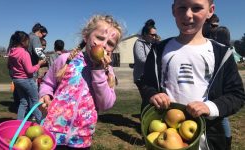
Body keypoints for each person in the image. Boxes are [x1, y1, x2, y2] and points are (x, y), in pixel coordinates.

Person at [139, 0, 245, 149]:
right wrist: (152, 94)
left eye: (196, 8)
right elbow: (145, 83)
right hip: (165, 135)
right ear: (173, 10)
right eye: (182, 8)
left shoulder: (222, 53)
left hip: (207, 139)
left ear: (210, 10)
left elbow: (237, 95)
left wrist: (211, 107)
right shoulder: (159, 50)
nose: (188, 15)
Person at [38, 15, 123, 149]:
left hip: (81, 140)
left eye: (110, 44)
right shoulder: (66, 59)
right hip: (52, 133)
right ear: (86, 36)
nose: (104, 45)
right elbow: (47, 83)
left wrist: (99, 72)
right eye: (99, 38)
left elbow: (106, 104)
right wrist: (45, 95)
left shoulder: (108, 72)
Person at [7, 31, 46, 123]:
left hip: (16, 80)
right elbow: (30, 70)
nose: (29, 42)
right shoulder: (24, 53)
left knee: (23, 102)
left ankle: (18, 123)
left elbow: (9, 66)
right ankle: (42, 123)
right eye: (27, 40)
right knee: (35, 103)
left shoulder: (11, 52)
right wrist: (39, 64)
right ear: (23, 41)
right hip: (27, 80)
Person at [133, 19, 161, 112]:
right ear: (145, 34)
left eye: (155, 35)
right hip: (141, 77)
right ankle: (144, 121)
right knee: (147, 99)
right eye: (152, 35)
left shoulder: (151, 44)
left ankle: (147, 120)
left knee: (150, 99)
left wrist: (158, 45)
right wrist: (155, 61)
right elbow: (141, 59)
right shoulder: (139, 43)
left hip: (149, 76)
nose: (154, 37)